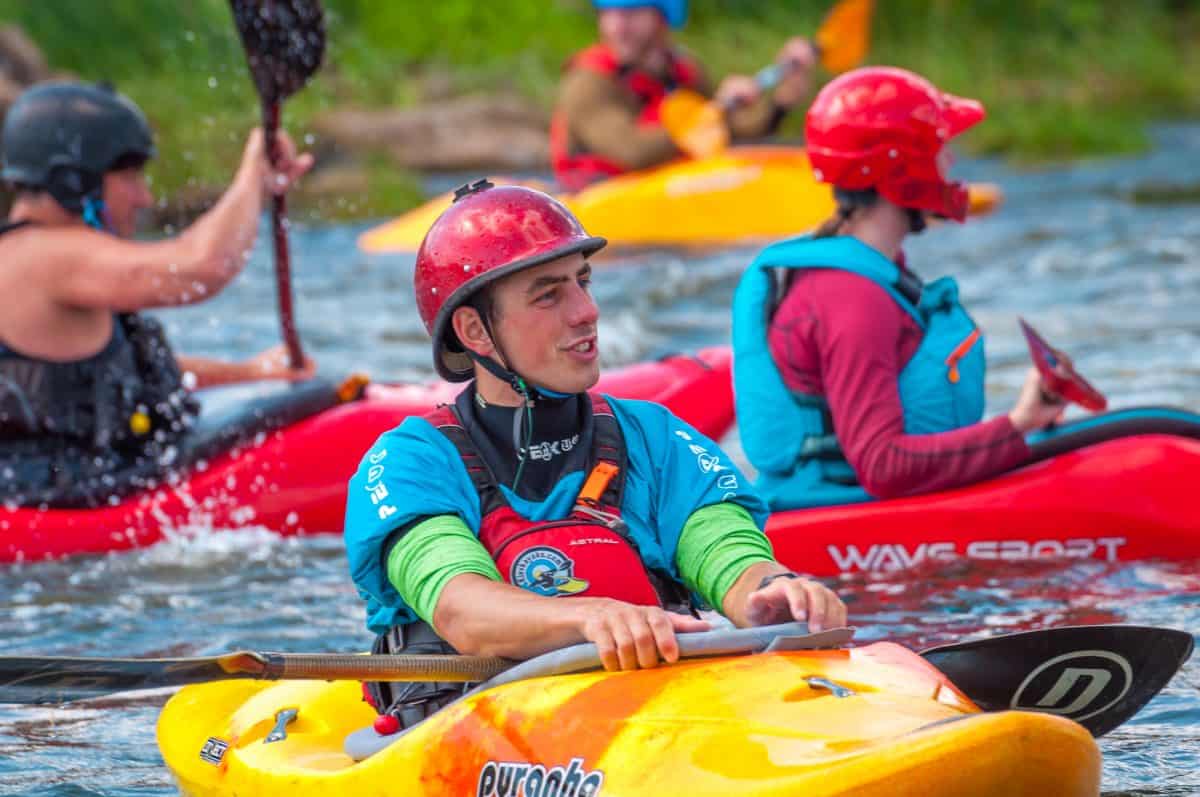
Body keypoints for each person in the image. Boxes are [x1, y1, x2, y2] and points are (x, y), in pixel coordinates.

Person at [345, 180, 846, 729]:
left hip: (652, 725)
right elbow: (461, 608)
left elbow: (728, 553)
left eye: (583, 282)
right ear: (474, 331)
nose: (587, 311)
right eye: (548, 294)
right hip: (480, 736)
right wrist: (592, 616)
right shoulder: (411, 461)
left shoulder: (653, 437)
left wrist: (771, 594)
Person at [731, 66, 1065, 511]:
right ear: (898, 167)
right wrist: (1018, 426)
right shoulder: (853, 298)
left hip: (859, 500)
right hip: (839, 517)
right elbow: (881, 464)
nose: (950, 165)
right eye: (940, 149)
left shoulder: (868, 272)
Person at [0, 81, 314, 507]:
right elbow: (202, 269)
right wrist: (253, 176)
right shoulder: (44, 254)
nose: (145, 197)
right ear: (73, 182)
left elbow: (122, 374)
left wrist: (251, 373)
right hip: (54, 510)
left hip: (69, 491)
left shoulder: (41, 256)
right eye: (129, 177)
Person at [551, 0, 817, 191]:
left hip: (664, 195)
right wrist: (718, 108)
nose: (616, 28)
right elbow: (632, 152)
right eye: (608, 14)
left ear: (662, 16)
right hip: (599, 201)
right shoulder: (586, 81)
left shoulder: (682, 70)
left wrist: (782, 101)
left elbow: (727, 135)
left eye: (630, 13)